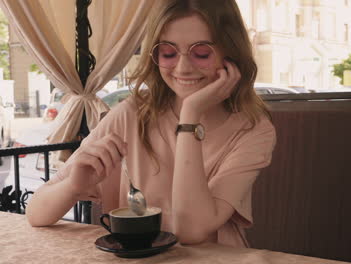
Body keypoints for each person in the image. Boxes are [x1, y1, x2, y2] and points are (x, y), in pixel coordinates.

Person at [26, 0, 276, 247]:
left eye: (201, 52)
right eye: (168, 52)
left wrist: (190, 116)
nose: (183, 67)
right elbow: (36, 213)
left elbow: (191, 232)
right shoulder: (132, 114)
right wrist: (72, 186)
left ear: (230, 53)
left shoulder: (252, 129)